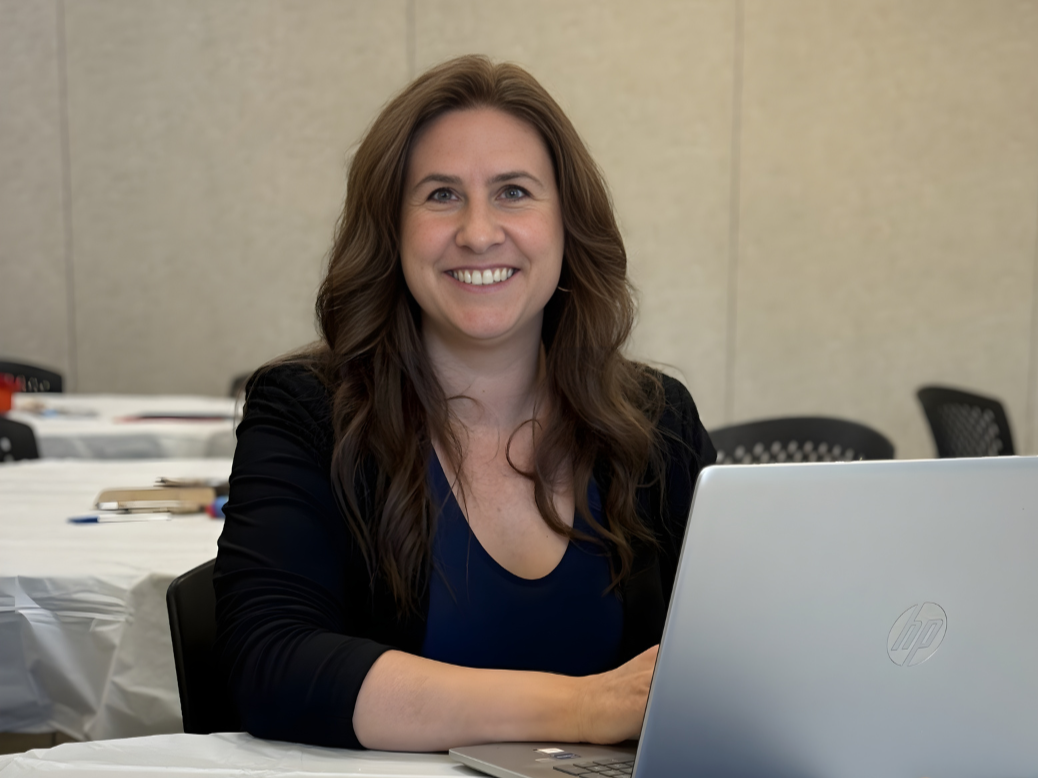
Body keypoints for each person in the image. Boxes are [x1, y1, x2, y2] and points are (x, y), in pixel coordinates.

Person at [214, 54, 716, 753]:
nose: (479, 232)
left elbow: (733, 652)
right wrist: (583, 707)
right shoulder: (308, 412)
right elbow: (272, 665)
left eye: (513, 192)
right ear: (392, 229)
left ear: (569, 224)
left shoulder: (657, 421)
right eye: (441, 195)